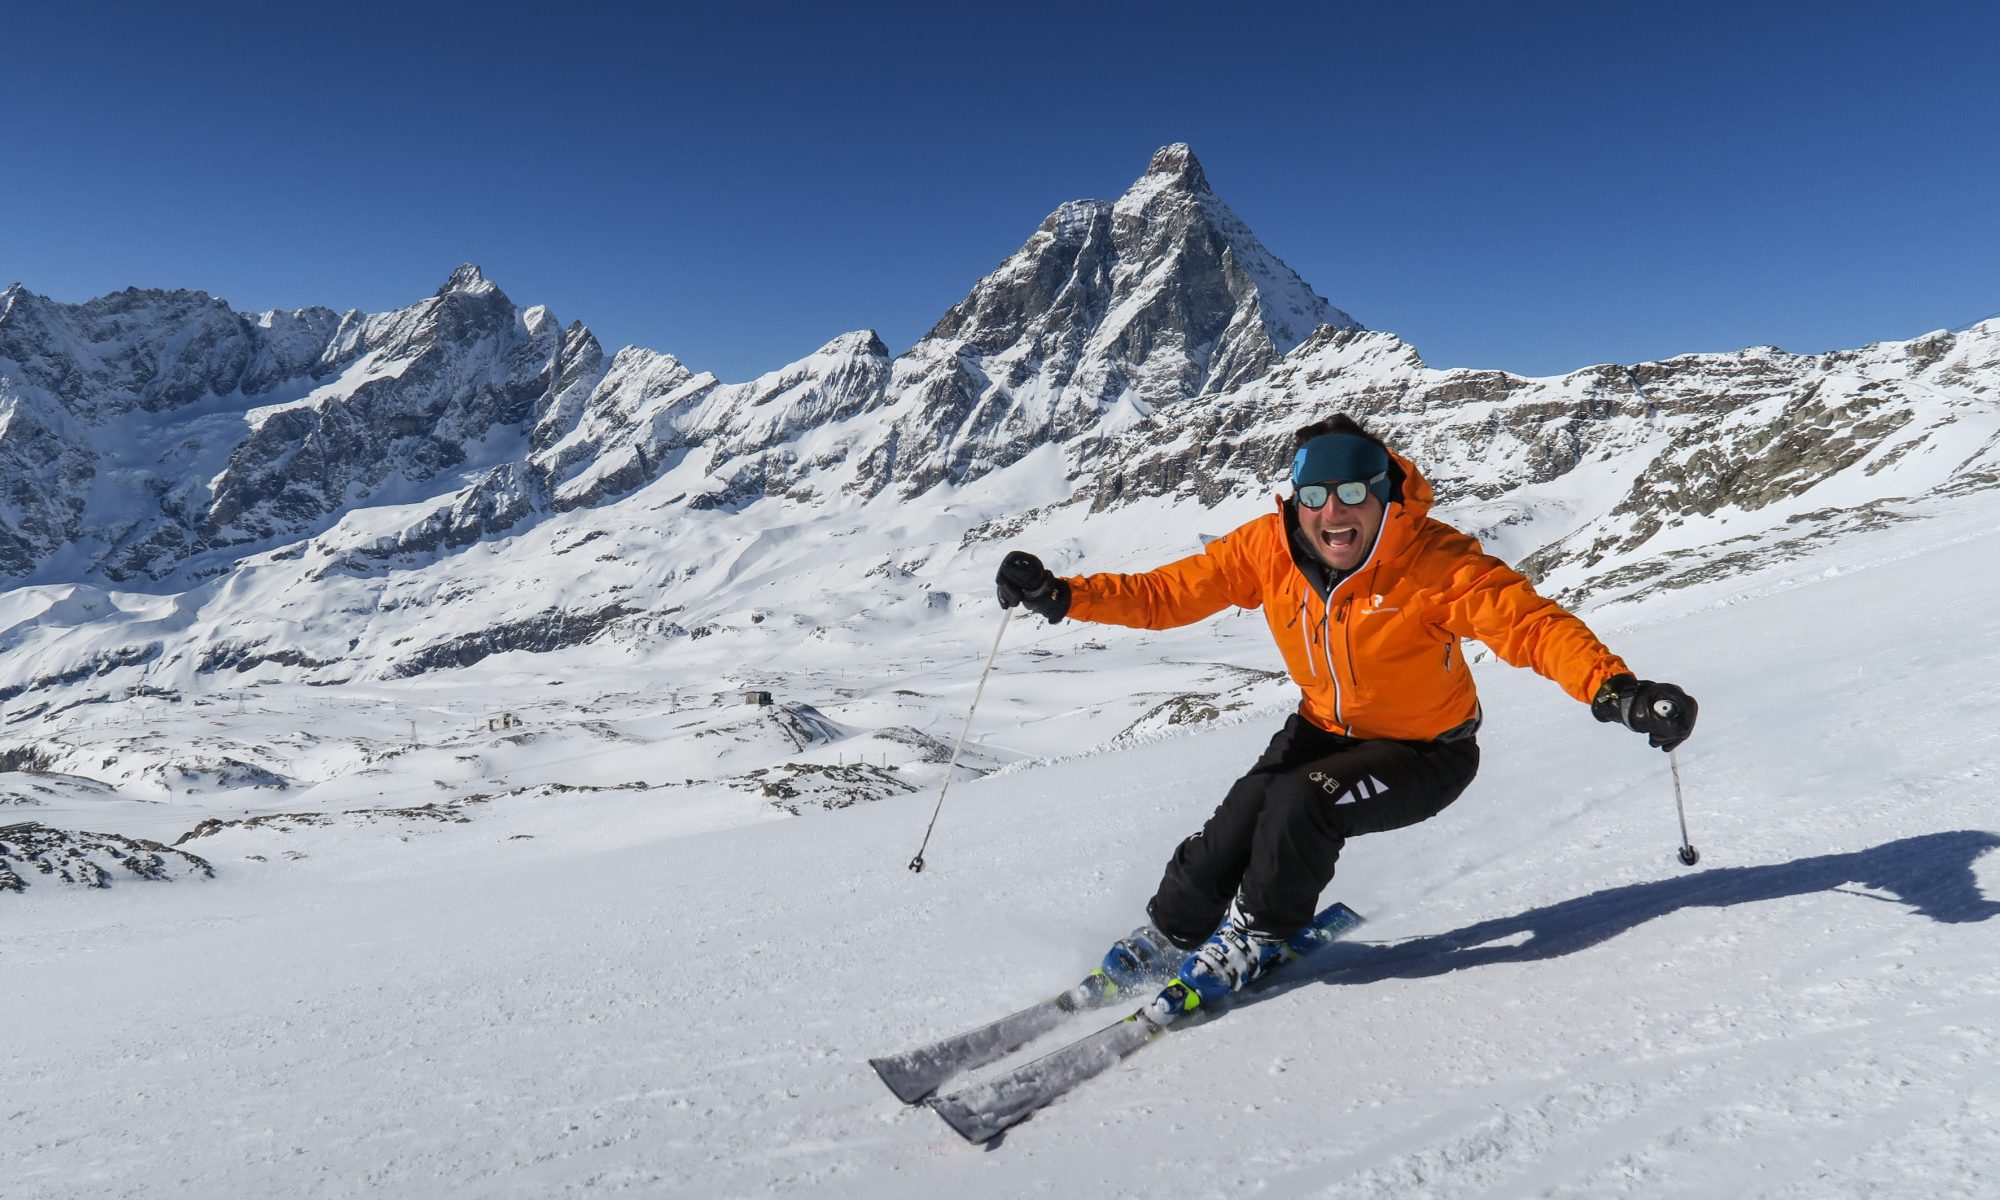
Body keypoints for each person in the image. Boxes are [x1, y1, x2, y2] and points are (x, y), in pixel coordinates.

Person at [995, 414, 1696, 1010]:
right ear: (1295, 501)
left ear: (1387, 496)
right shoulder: (1265, 550)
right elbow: (1166, 595)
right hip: (1323, 726)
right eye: (1317, 494)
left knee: (1304, 802)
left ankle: (1259, 934)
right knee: (1246, 809)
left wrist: (1617, 691)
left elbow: (1531, 627)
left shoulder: (1434, 563)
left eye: (1355, 491)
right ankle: (1172, 932)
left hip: (1429, 751)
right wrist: (1062, 594)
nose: (1335, 512)